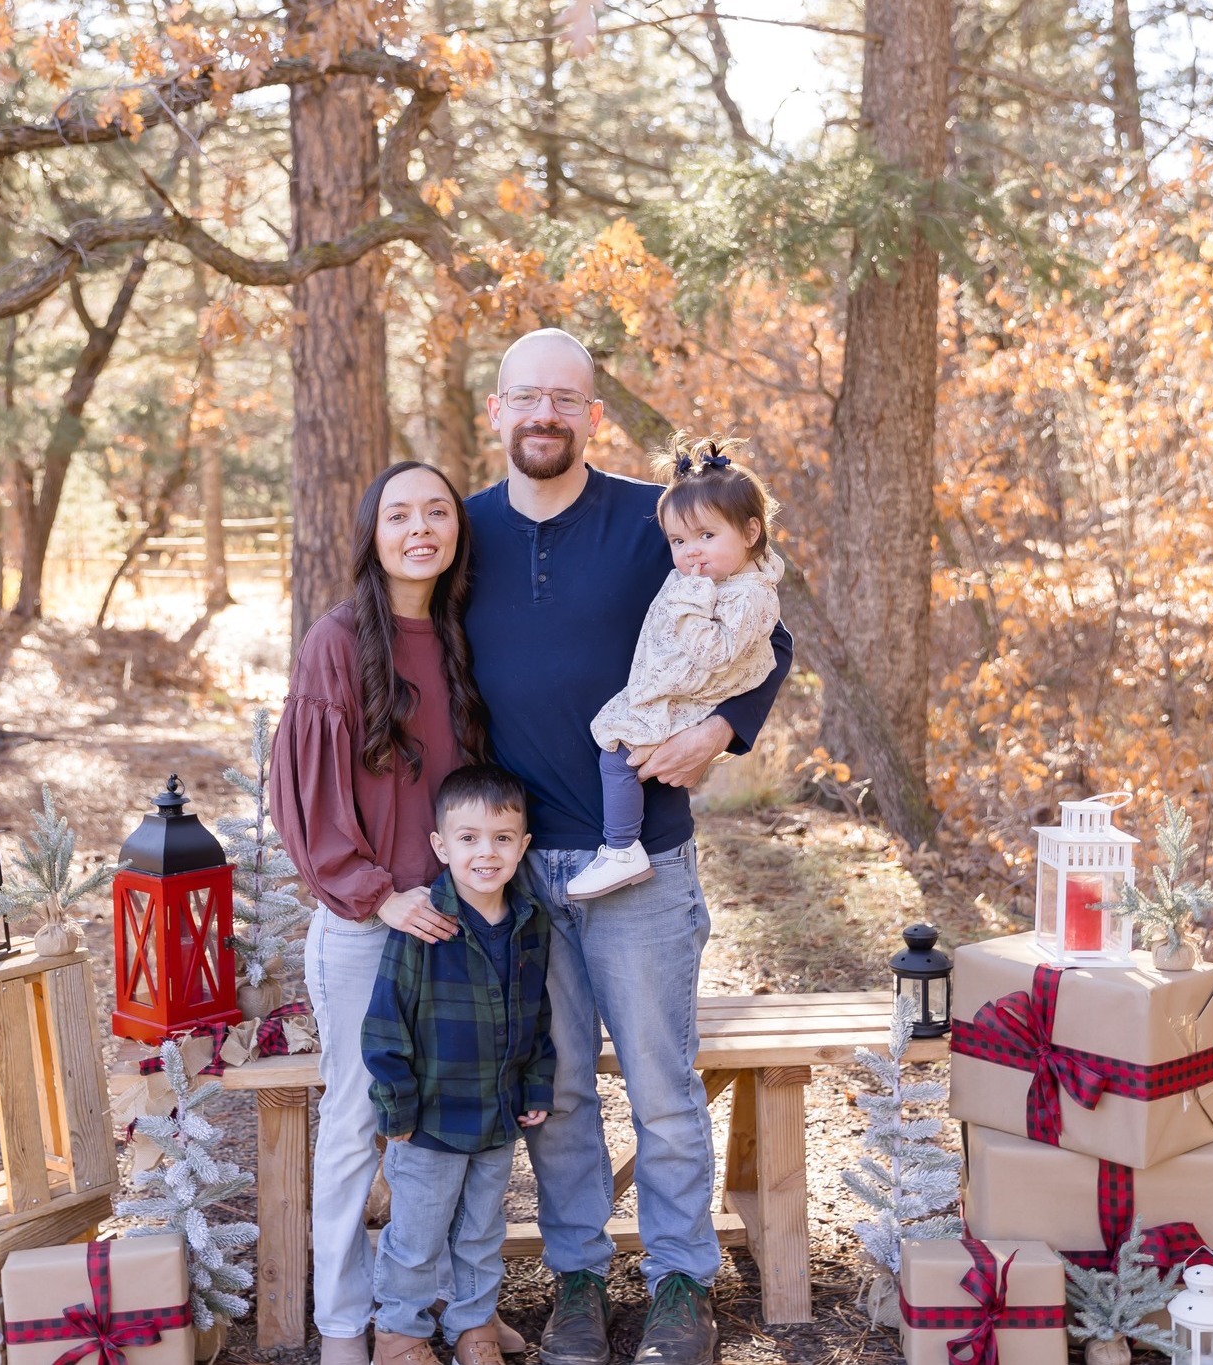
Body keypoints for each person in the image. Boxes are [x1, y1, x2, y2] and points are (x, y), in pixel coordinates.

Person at [463, 329, 794, 1365]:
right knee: (556, 1089)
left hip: (640, 854)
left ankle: (683, 1286)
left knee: (659, 1081)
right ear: (498, 411)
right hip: (515, 868)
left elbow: (764, 633)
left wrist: (720, 730)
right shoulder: (462, 531)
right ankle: (574, 1283)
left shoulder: (653, 522)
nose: (545, 415)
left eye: (566, 398)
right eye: (528, 397)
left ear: (591, 414)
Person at [270, 462, 524, 1365]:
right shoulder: (336, 644)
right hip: (369, 928)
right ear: (372, 532)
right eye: (398, 514)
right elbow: (308, 806)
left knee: (456, 1127)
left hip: (457, 928)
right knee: (355, 1122)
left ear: (457, 527)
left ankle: (447, 1311)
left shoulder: (457, 636)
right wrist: (381, 894)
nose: (419, 528)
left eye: (437, 512)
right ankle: (345, 1324)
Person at [362, 764, 555, 1365]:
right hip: (430, 1121)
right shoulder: (424, 927)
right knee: (416, 1239)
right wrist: (397, 1108)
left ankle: (474, 1330)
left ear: (523, 846)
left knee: (480, 1234)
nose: (485, 852)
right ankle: (400, 1334)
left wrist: (534, 1084)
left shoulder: (528, 923)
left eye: (501, 838)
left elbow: (535, 1014)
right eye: (468, 838)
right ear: (441, 846)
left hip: (496, 1116)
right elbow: (385, 1022)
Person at [567, 434, 785, 900]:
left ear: (750, 533)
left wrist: (689, 601)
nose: (691, 552)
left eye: (707, 536)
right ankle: (621, 844)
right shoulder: (710, 580)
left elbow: (721, 652)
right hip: (672, 686)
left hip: (688, 700)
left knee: (618, 750)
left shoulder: (745, 593)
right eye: (679, 541)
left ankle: (622, 848)